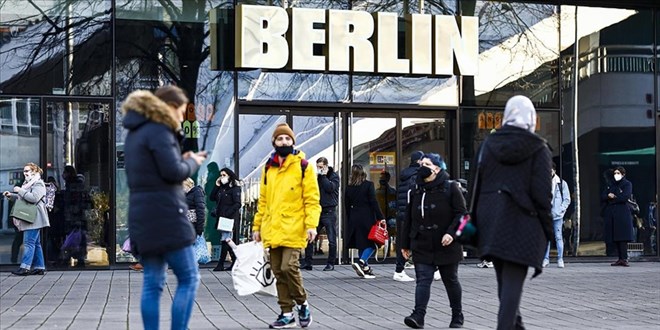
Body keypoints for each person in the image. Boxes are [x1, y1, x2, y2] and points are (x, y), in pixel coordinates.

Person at [122, 85, 207, 330]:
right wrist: (191, 162)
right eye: (181, 111)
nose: (182, 117)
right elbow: (173, 172)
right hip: (167, 215)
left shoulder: (135, 133)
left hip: (142, 216)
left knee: (152, 282)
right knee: (190, 277)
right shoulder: (159, 131)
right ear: (169, 107)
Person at [473, 95, 553, 330]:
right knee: (511, 289)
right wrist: (548, 230)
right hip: (523, 225)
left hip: (491, 222)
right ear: (531, 118)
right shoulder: (539, 148)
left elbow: (476, 185)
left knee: (505, 285)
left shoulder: (488, 144)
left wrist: (475, 219)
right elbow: (542, 196)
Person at [251, 123, 321, 329]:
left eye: (287, 139)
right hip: (272, 228)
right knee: (278, 272)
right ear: (274, 142)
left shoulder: (304, 166)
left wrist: (312, 225)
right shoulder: (268, 167)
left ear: (293, 142)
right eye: (280, 139)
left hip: (294, 226)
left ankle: (302, 304)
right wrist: (257, 227)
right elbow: (263, 201)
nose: (284, 142)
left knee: (288, 267)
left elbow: (312, 199)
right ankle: (286, 313)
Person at [400, 153, 467, 329]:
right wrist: (404, 244)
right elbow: (408, 218)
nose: (422, 166)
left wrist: (452, 234)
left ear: (437, 169)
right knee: (423, 279)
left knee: (450, 279)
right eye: (421, 163)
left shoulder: (451, 188)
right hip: (422, 243)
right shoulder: (415, 189)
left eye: (427, 164)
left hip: (446, 244)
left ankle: (457, 314)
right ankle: (418, 315)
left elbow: (463, 216)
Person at [4, 162, 50, 276]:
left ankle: (25, 267)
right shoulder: (28, 184)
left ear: (34, 171)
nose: (25, 173)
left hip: (34, 218)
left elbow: (33, 198)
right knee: (36, 243)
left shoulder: (38, 184)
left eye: (27, 171)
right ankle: (40, 267)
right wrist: (12, 195)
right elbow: (25, 198)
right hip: (31, 217)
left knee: (29, 243)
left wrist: (20, 190)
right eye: (24, 171)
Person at [345, 164, 386, 279]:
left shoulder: (349, 187)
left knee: (360, 243)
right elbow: (374, 202)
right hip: (367, 217)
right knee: (373, 243)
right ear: (363, 172)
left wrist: (349, 218)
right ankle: (362, 262)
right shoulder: (368, 185)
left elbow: (346, 205)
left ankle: (366, 269)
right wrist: (380, 217)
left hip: (354, 217)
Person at [302, 157, 340, 271]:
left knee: (332, 239)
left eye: (321, 167)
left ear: (326, 166)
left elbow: (330, 188)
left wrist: (323, 176)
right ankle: (308, 262)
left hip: (329, 211)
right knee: (310, 238)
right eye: (317, 167)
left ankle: (331, 263)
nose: (319, 169)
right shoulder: (317, 177)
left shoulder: (333, 176)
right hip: (318, 211)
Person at [394, 151, 424, 282]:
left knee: (405, 242)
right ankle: (399, 270)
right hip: (411, 213)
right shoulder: (416, 176)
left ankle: (399, 270)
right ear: (418, 161)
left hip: (402, 213)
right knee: (419, 240)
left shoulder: (405, 175)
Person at [601, 166, 635, 267]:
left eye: (618, 173)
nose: (616, 175)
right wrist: (608, 196)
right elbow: (603, 195)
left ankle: (624, 258)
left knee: (622, 236)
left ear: (623, 174)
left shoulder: (627, 184)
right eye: (615, 173)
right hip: (612, 213)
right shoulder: (611, 184)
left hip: (622, 213)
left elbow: (624, 197)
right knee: (615, 235)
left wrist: (613, 197)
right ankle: (620, 258)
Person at [210, 167, 241, 271]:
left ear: (229, 176)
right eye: (221, 175)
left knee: (225, 239)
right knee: (227, 240)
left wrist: (227, 214)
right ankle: (235, 262)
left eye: (224, 175)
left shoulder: (235, 188)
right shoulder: (222, 188)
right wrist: (217, 185)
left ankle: (221, 263)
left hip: (229, 218)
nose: (222, 177)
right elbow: (212, 197)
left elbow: (238, 204)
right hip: (221, 217)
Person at [543, 163, 571, 268]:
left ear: (554, 170)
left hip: (558, 215)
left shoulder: (561, 183)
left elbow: (567, 199)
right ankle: (545, 259)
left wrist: (561, 211)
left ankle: (560, 259)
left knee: (558, 237)